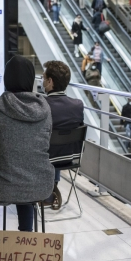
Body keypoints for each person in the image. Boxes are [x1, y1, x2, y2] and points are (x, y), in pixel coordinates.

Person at [0, 55, 55, 231]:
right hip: (41, 184)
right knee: (26, 191)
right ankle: (26, 238)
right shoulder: (45, 108)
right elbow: (46, 142)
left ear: (7, 78)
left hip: (3, 185)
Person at [42, 61, 84, 209]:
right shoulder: (78, 105)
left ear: (50, 81)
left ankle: (46, 192)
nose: (42, 81)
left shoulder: (42, 104)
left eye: (43, 78)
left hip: (46, 160)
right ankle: (52, 187)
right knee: (57, 145)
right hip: (71, 158)